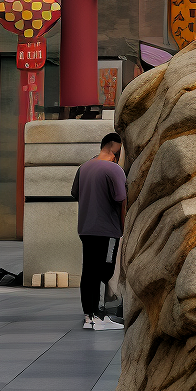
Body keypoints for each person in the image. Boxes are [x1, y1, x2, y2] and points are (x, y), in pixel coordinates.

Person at [74, 132, 127, 331]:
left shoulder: (84, 167)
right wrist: (122, 228)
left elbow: (75, 194)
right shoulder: (114, 170)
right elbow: (121, 200)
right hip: (107, 230)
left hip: (86, 228)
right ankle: (97, 316)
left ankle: (89, 315)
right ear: (116, 148)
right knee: (104, 270)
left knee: (88, 271)